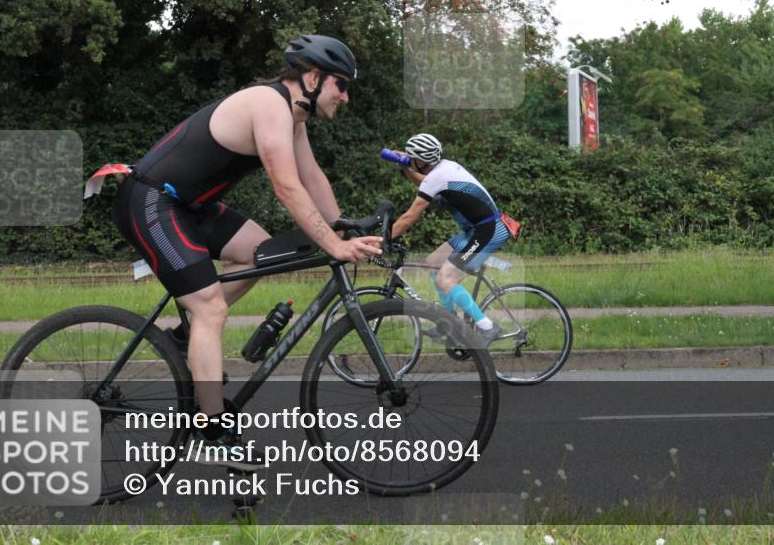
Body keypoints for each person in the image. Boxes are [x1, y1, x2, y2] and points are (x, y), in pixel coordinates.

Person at [111, 35, 382, 467]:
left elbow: (312, 179)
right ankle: (213, 430)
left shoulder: (293, 119)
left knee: (263, 251)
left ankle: (184, 338)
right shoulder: (268, 104)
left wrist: (344, 229)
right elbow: (286, 184)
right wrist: (333, 244)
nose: (345, 97)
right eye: (341, 85)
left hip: (188, 205)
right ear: (313, 77)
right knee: (211, 309)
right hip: (150, 202)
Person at [389, 133, 510, 344]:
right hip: (476, 229)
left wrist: (381, 239)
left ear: (421, 160)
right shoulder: (443, 168)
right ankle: (449, 324)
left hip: (488, 231)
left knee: (446, 279)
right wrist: (406, 167)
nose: (409, 160)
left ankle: (488, 327)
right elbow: (425, 182)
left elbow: (408, 218)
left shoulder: (437, 176)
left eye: (412, 157)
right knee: (433, 264)